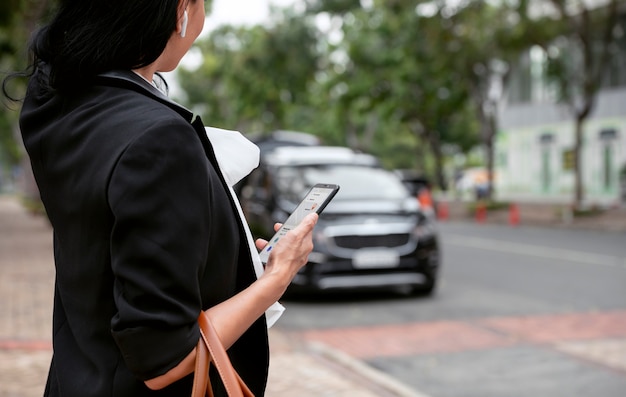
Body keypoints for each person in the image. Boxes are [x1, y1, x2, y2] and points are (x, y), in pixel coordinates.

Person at [2, 0, 318, 396]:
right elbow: (163, 359)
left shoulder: (61, 105)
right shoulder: (159, 139)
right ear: (180, 10)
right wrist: (276, 277)